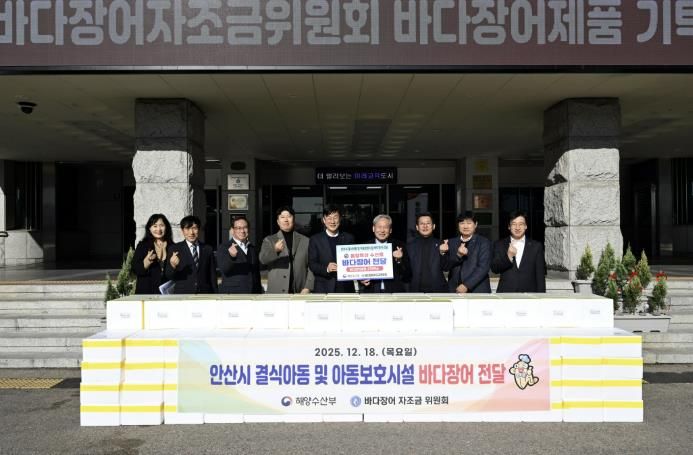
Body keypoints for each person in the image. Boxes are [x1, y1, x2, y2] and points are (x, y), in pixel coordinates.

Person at [259, 206, 314, 294]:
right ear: (278, 221)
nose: (286, 220)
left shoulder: (305, 241)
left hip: (300, 291)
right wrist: (275, 250)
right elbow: (263, 259)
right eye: (282, 217)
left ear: (293, 219)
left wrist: (308, 287)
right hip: (277, 292)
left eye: (289, 216)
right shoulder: (269, 240)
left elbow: (311, 266)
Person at [491, 210, 546, 293]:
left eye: (521, 224)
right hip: (506, 292)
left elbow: (540, 275)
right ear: (509, 226)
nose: (517, 227)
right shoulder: (500, 244)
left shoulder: (536, 246)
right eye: (514, 224)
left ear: (526, 226)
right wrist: (509, 256)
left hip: (529, 293)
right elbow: (495, 268)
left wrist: (541, 296)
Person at [308, 204, 356, 293]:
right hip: (323, 287)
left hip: (345, 287)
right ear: (324, 220)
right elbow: (312, 264)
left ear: (340, 219)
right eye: (329, 218)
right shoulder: (315, 239)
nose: (332, 221)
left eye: (335, 217)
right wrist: (326, 268)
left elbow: (355, 262)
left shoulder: (349, 238)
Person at [441, 211, 492, 293]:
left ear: (475, 224)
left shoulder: (483, 242)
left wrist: (466, 285)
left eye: (469, 223)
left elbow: (483, 268)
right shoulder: (451, 242)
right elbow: (446, 267)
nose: (465, 226)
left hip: (477, 290)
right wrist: (456, 255)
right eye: (462, 223)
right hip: (455, 290)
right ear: (458, 225)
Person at [358, 214, 411, 293]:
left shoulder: (399, 246)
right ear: (373, 228)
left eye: (385, 227)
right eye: (379, 227)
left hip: (394, 293)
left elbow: (407, 275)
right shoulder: (364, 247)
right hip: (371, 292)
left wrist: (399, 260)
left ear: (390, 230)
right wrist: (361, 280)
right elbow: (358, 272)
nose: (382, 230)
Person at [165, 215, 218, 294]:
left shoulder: (207, 249)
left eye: (194, 228)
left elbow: (212, 275)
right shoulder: (175, 249)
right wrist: (173, 265)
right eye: (187, 228)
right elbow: (169, 275)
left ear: (199, 229)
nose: (191, 232)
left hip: (204, 293)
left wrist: (216, 295)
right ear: (182, 230)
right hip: (183, 293)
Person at [217, 215, 263, 294]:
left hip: (253, 293)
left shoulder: (252, 248)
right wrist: (232, 257)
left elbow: (256, 272)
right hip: (233, 293)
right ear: (232, 230)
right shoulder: (224, 247)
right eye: (238, 228)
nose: (242, 231)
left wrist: (259, 291)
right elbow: (224, 269)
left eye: (245, 227)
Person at [132, 213, 173, 294]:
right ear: (149, 228)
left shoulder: (173, 247)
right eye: (155, 226)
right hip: (146, 293)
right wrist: (146, 262)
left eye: (161, 225)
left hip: (166, 294)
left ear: (166, 227)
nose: (158, 229)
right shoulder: (143, 246)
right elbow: (135, 270)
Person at [406, 212, 447, 293]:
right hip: (415, 291)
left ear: (433, 226)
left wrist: (443, 253)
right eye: (422, 224)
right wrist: (399, 260)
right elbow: (406, 272)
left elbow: (446, 267)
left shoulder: (441, 244)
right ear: (417, 227)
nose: (425, 226)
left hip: (437, 291)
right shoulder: (409, 246)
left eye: (428, 223)